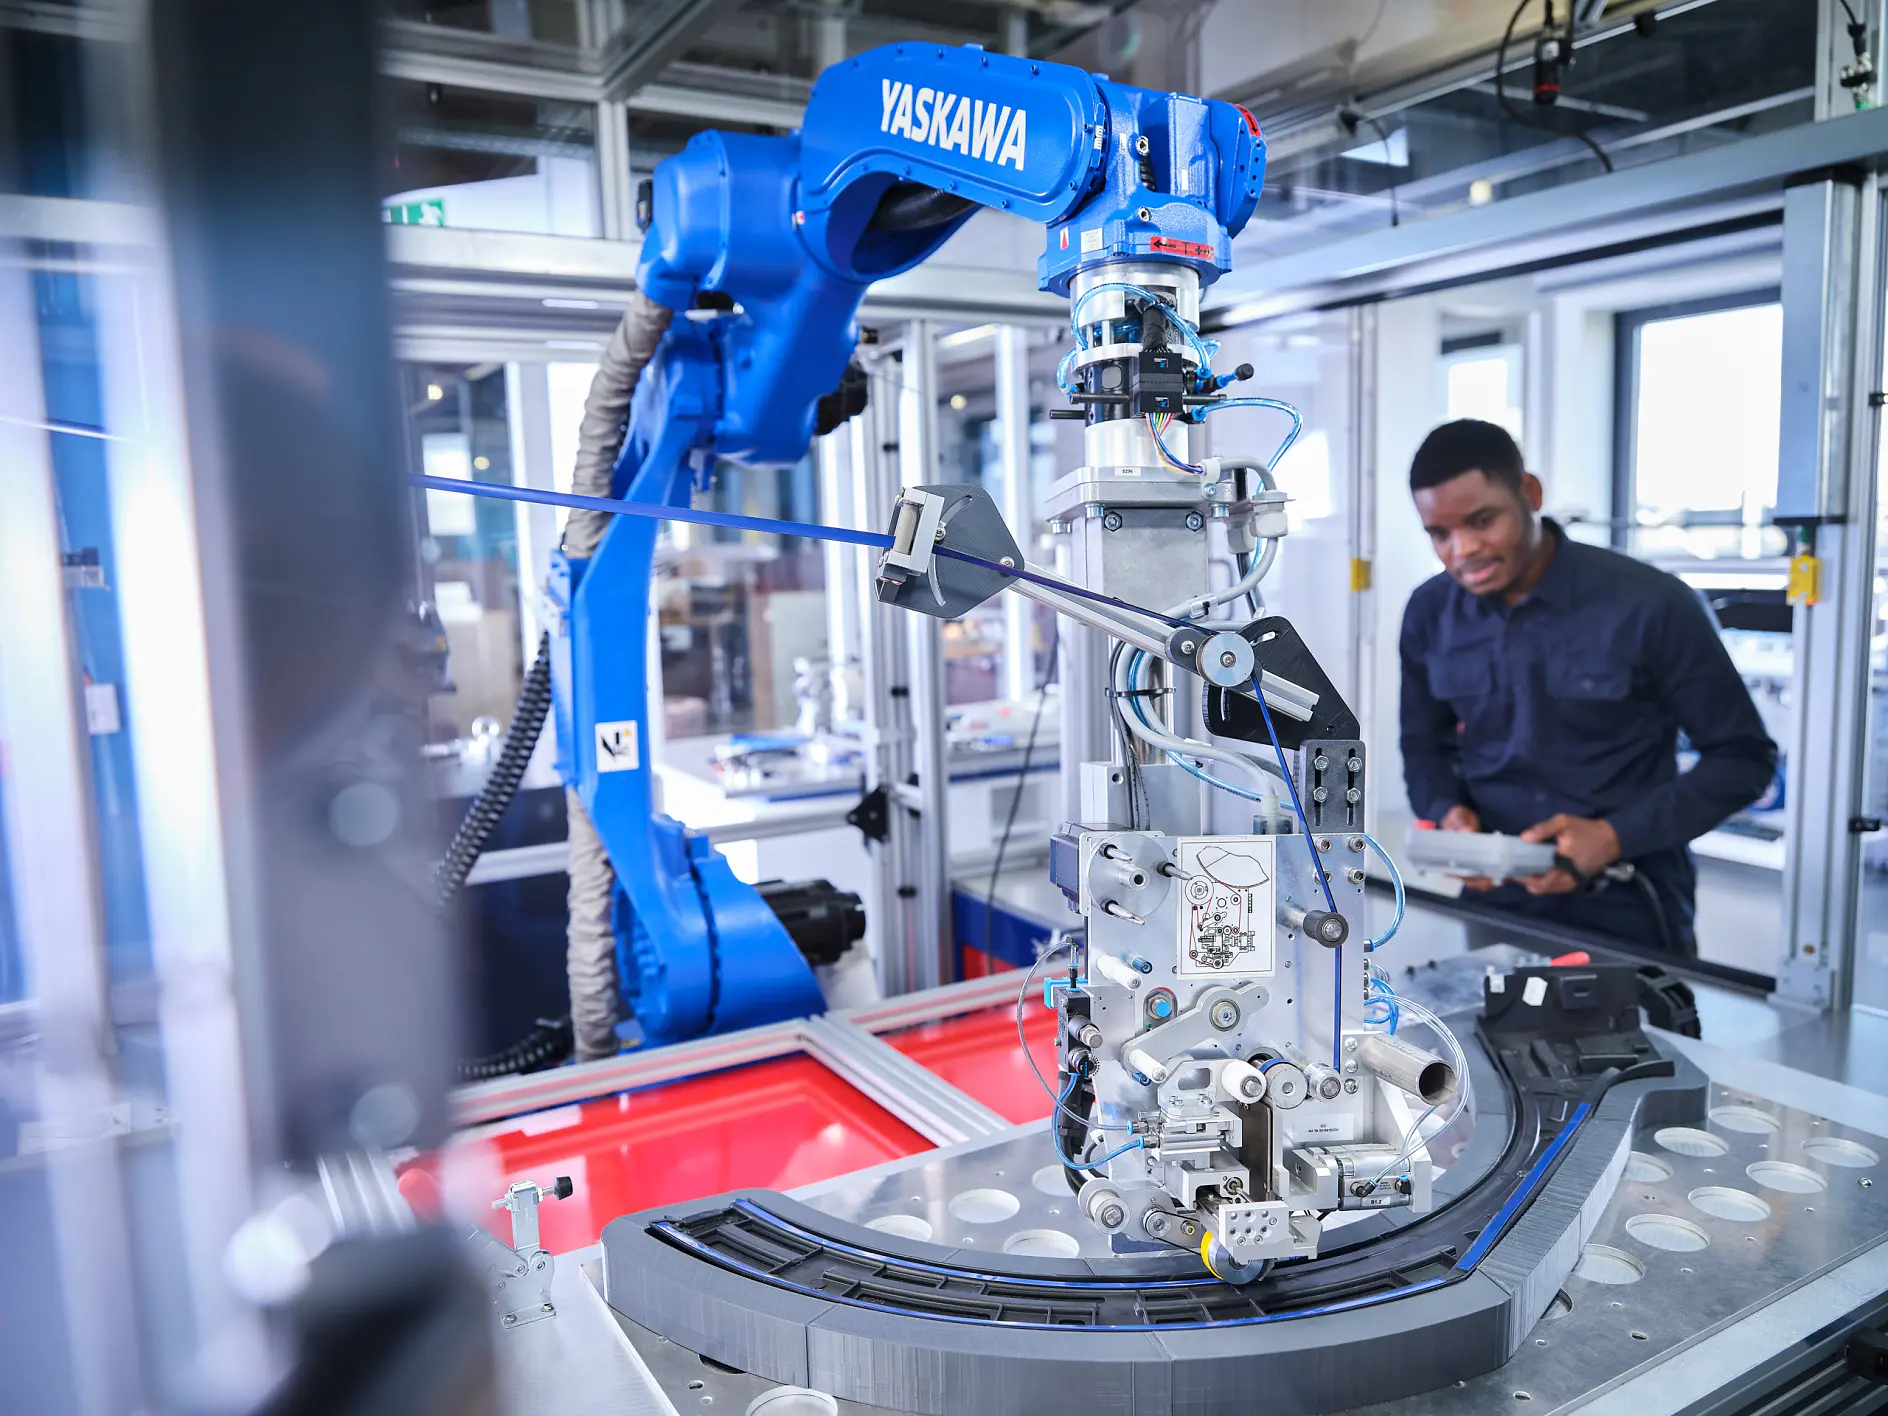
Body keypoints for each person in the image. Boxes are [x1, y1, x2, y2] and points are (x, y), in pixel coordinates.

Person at [1398, 418, 1777, 953]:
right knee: (1487, 1010)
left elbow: (1743, 760)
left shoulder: (1653, 606)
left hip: (1629, 898)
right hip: (1495, 897)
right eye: (1440, 534)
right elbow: (1423, 746)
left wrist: (1613, 837)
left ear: (1530, 494)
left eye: (1482, 521)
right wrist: (1444, 812)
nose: (1463, 550)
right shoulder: (1430, 613)